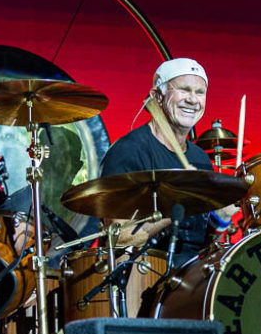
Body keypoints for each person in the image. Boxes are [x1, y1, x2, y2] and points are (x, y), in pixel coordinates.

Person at [100, 58, 238, 267]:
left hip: (194, 274)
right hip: (147, 273)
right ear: (157, 96)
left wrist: (221, 218)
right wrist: (178, 203)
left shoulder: (200, 158)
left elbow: (205, 243)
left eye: (200, 92)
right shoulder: (129, 151)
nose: (193, 100)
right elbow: (119, 238)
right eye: (184, 90)